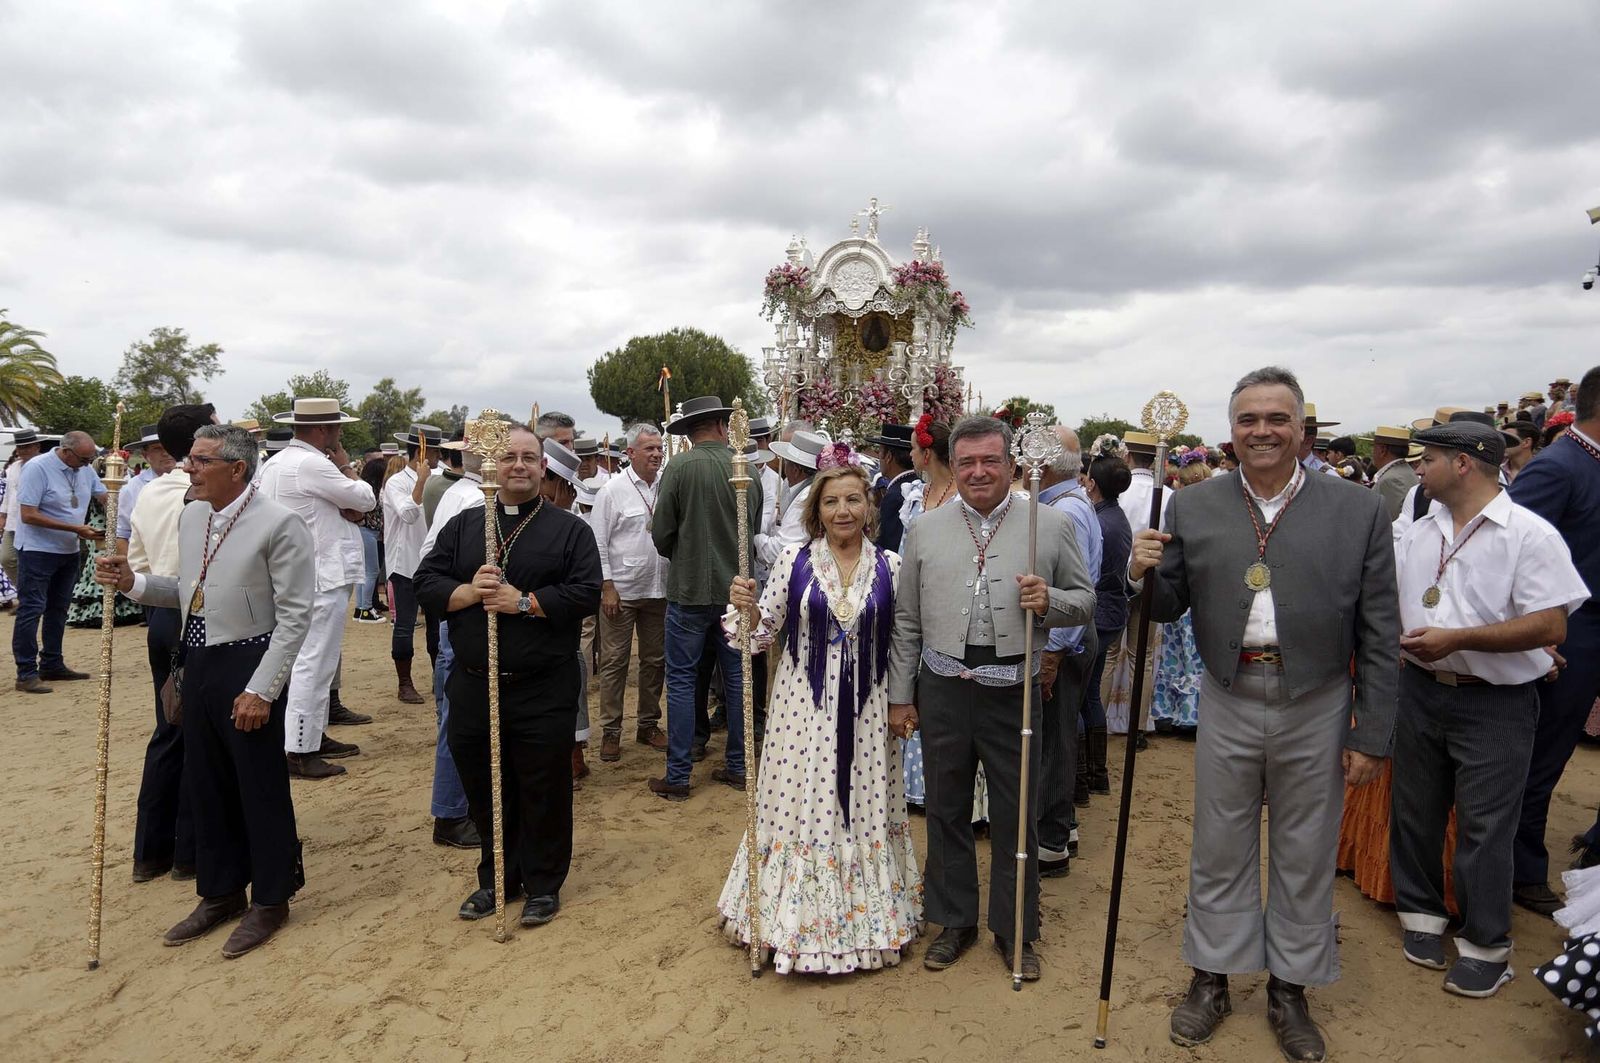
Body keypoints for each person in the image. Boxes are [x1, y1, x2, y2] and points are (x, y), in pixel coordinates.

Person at [1130, 366, 1399, 1062]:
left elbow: (1380, 630)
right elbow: (1166, 606)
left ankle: (1290, 986)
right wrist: (1141, 571)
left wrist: (1371, 732)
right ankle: (1212, 976)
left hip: (1318, 699)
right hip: (1228, 693)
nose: (1263, 430)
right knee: (1220, 843)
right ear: (1232, 430)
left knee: (1306, 850)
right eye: (1249, 419)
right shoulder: (1193, 505)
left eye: (1277, 418)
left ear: (1302, 429)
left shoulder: (1360, 510)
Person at [95, 424, 314, 958]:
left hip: (251, 662)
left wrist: (262, 690)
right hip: (201, 660)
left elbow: (294, 618)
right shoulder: (193, 515)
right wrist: (133, 584)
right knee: (205, 781)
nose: (184, 468)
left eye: (198, 460)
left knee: (257, 785)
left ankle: (270, 898)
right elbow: (189, 591)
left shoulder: (279, 523)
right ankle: (220, 892)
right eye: (188, 459)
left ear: (236, 469)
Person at [888, 415, 1095, 981]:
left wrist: (1050, 600)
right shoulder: (925, 530)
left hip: (1016, 690)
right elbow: (907, 621)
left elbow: (1085, 602)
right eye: (967, 462)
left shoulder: (1048, 526)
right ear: (951, 466)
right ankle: (955, 921)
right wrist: (901, 695)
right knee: (946, 807)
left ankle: (1014, 927)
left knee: (1015, 812)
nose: (979, 471)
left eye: (990, 461)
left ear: (1010, 465)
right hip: (944, 689)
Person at [1389, 420, 1589, 997]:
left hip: (1495, 701)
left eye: (1428, 459)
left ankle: (1486, 944)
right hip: (1423, 690)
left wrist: (1461, 639)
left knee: (1485, 825)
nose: (1418, 470)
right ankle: (1423, 917)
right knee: (1417, 811)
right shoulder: (1421, 530)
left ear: (1463, 464)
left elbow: (1552, 623)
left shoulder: (1529, 535)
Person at [717, 455, 923, 973]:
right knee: (801, 804)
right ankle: (787, 919)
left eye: (853, 499)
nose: (843, 510)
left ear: (869, 506)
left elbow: (903, 642)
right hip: (800, 710)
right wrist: (745, 610)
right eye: (831, 501)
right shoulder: (793, 562)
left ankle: (869, 919)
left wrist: (904, 699)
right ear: (817, 510)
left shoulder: (892, 567)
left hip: (870, 711)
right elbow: (761, 632)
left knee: (863, 806)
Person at [414, 424, 601, 927]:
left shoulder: (570, 530)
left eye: (529, 458)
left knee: (542, 785)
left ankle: (542, 882)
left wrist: (522, 602)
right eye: (509, 457)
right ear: (491, 465)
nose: (519, 465)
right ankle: (496, 877)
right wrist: (470, 593)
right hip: (476, 683)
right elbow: (426, 582)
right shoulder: (463, 525)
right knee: (484, 784)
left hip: (543, 684)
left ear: (544, 468)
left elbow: (585, 593)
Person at [1508, 366, 1600, 917]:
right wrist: (1535, 639)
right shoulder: (1559, 466)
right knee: (1544, 755)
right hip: (1573, 635)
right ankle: (1522, 870)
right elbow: (1511, 559)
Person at [647, 396, 762, 801]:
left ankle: (678, 775)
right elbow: (753, 527)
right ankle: (740, 764)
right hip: (738, 594)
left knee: (680, 681)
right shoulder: (745, 466)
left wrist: (685, 551)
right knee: (737, 679)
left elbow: (661, 533)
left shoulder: (678, 467)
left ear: (692, 431)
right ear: (720, 425)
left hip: (689, 591)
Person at [257, 397, 375, 779]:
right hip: (321, 574)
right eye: (337, 428)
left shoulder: (277, 463)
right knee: (314, 662)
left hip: (300, 573)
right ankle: (300, 748)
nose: (340, 434)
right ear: (324, 430)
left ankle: (309, 736)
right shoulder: (312, 463)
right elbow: (365, 498)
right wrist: (343, 463)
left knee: (308, 661)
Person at [125, 403, 214, 883]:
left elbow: (138, 562)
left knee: (169, 729)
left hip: (160, 615)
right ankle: (187, 851)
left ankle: (151, 852)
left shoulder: (150, 492)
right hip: (193, 617)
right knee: (195, 732)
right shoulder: (203, 494)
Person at [1035, 426, 1101, 878]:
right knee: (1057, 734)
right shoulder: (1068, 503)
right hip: (1069, 634)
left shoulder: (1066, 511)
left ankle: (1051, 841)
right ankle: (1064, 826)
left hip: (1067, 636)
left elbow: (1075, 588)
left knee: (1055, 739)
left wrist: (1053, 652)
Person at [418, 437, 483, 850]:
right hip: (465, 620)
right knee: (458, 718)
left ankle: (460, 807)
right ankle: (451, 813)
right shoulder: (472, 497)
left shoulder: (459, 492)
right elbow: (432, 566)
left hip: (459, 617)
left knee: (459, 715)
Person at [591, 423, 669, 761]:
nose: (656, 453)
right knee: (614, 662)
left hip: (659, 589)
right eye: (648, 448)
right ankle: (610, 731)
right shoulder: (612, 490)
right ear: (631, 453)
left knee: (655, 660)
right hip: (620, 592)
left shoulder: (668, 485)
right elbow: (598, 542)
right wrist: (607, 585)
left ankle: (648, 724)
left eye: (659, 448)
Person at [13, 429, 105, 693]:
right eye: (84, 459)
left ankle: (52, 663)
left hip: (68, 550)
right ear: (66, 452)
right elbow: (28, 514)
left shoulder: (84, 469)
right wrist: (76, 529)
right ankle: (26, 672)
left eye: (91, 460)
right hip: (36, 550)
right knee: (31, 609)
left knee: (59, 609)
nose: (88, 464)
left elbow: (103, 493)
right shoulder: (37, 468)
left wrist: (118, 502)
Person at [898, 415, 955, 810]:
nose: (911, 456)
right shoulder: (915, 495)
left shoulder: (958, 496)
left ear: (927, 451)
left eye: (915, 450)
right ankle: (916, 782)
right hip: (912, 603)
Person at [1104, 429, 1168, 737]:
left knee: (1111, 654)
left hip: (1117, 581)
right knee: (1141, 657)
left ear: (1127, 455)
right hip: (1151, 580)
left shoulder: (1120, 493)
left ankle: (1098, 726)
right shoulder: (1168, 495)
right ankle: (1138, 727)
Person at [1079, 446, 1133, 802]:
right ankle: (1096, 773)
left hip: (1099, 613)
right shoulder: (1115, 515)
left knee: (1079, 696)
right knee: (1089, 693)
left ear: (1093, 484)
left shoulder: (1101, 521)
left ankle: (1082, 776)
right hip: (1112, 611)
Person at [1148, 456, 1211, 733]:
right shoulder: (1190, 508)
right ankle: (1188, 713)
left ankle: (1172, 711)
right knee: (1190, 656)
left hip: (1185, 594)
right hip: (1191, 595)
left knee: (1177, 655)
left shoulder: (1186, 509)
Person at [382, 423, 441, 703]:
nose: (440, 458)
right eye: (436, 452)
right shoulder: (396, 482)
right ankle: (404, 683)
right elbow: (408, 514)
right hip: (405, 563)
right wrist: (421, 482)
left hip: (431, 562)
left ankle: (437, 677)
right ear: (423, 452)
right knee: (404, 626)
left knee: (436, 626)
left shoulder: (439, 478)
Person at [114, 424, 173, 554]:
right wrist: (131, 570)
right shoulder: (131, 488)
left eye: (169, 446)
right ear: (145, 455)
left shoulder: (193, 481)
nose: (165, 453)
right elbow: (122, 534)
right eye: (157, 448)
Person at [869, 422, 918, 551]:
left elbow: (889, 546)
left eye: (880, 452)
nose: (879, 458)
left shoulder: (894, 497)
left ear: (889, 457)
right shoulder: (920, 486)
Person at [353, 456, 387, 623]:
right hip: (368, 532)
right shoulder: (372, 492)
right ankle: (366, 608)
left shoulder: (366, 490)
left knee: (362, 572)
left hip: (364, 532)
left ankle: (360, 608)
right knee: (371, 571)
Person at [1369, 426, 1421, 522]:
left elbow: (1388, 523)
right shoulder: (1405, 471)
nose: (1372, 452)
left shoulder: (1391, 480)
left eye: (1373, 447)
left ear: (1382, 450)